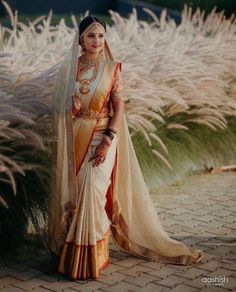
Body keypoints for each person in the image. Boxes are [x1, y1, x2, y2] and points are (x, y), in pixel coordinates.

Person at [48, 15, 204, 280]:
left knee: (94, 189)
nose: (97, 40)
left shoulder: (112, 69)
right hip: (77, 138)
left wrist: (108, 139)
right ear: (80, 39)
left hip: (103, 134)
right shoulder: (70, 69)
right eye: (91, 35)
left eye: (101, 35)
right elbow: (60, 108)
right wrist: (70, 110)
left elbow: (119, 107)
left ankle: (94, 255)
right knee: (78, 195)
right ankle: (76, 255)